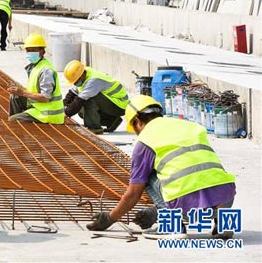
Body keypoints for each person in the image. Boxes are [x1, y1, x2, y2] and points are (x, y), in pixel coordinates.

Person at [87, 95, 236, 239]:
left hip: (186, 205)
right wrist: (154, 213)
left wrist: (109, 218)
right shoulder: (189, 126)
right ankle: (223, 222)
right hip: (225, 196)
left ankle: (173, 226)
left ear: (137, 121)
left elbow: (133, 193)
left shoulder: (145, 140)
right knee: (203, 171)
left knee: (146, 176)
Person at [7, 34, 65, 124]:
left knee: (13, 120)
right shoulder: (36, 66)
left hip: (48, 114)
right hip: (38, 107)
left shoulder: (46, 71)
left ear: (42, 52)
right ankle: (21, 118)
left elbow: (45, 97)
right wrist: (19, 90)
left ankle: (18, 121)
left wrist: (22, 92)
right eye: (28, 50)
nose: (30, 53)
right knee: (15, 96)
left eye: (33, 50)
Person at [62, 60, 128, 134]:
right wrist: (61, 108)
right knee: (82, 111)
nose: (75, 84)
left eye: (76, 81)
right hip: (110, 103)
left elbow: (80, 100)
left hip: (119, 105)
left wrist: (65, 114)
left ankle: (94, 128)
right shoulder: (84, 73)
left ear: (81, 76)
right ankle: (111, 121)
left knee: (88, 100)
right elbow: (72, 94)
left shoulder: (93, 80)